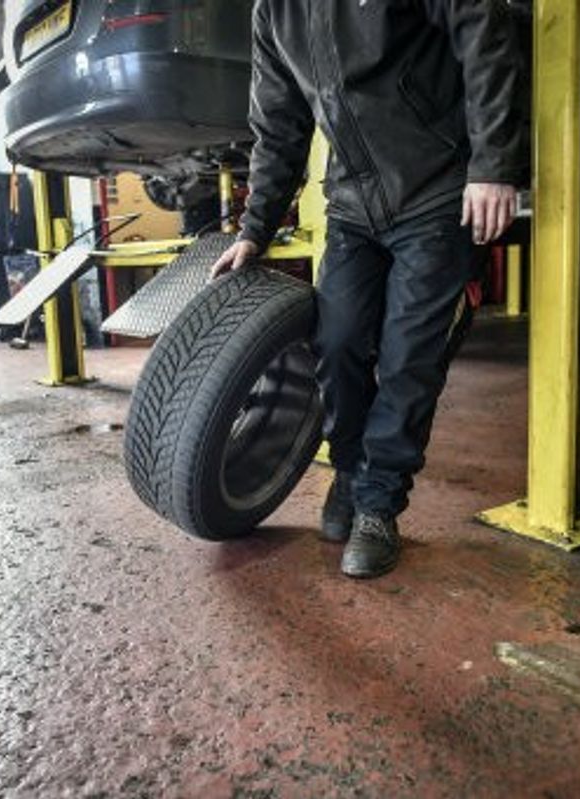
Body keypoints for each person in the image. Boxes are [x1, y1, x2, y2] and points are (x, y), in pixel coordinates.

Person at [212, 0, 525, 578]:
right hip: (355, 204)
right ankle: (351, 474)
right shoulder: (271, 13)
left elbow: (485, 31)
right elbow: (278, 125)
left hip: (436, 191)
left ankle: (378, 504)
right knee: (337, 344)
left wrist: (493, 166)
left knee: (409, 357)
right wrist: (254, 229)